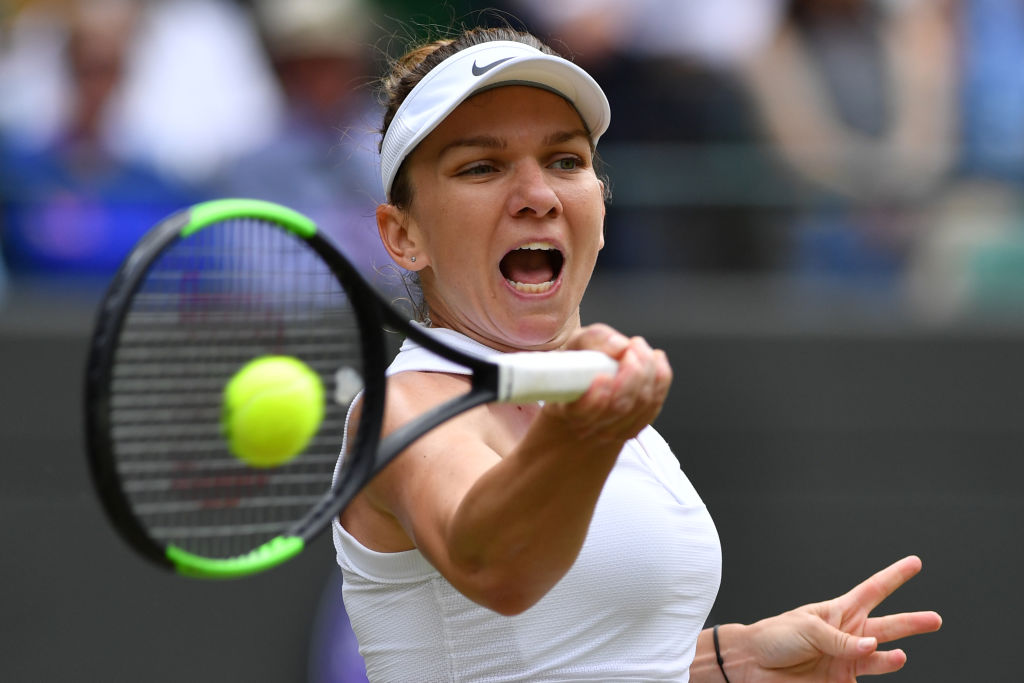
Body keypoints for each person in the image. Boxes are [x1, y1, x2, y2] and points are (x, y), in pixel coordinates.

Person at [332, 26, 942, 681]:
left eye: (565, 161)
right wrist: (583, 434)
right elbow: (496, 567)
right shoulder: (401, 411)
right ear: (403, 235)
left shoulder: (600, 411)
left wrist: (735, 658)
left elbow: (592, 662)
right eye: (482, 166)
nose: (538, 195)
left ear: (599, 201)